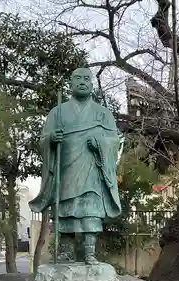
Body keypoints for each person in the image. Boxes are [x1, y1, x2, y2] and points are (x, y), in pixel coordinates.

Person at [29, 67, 121, 264]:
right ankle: (66, 253)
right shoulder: (58, 112)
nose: (82, 82)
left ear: (91, 84)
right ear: (70, 84)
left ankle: (90, 254)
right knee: (66, 211)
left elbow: (115, 140)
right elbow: (43, 139)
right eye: (77, 79)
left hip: (91, 171)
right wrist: (52, 139)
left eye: (86, 79)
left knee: (91, 210)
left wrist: (100, 143)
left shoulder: (103, 114)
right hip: (66, 170)